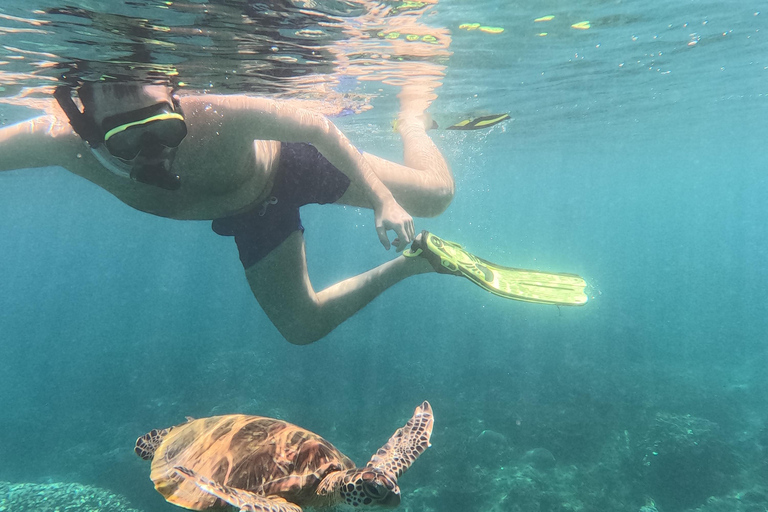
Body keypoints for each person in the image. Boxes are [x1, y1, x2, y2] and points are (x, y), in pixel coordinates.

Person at [0, 81, 587, 345]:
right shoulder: (59, 143)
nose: (159, 149)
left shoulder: (218, 112)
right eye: (129, 136)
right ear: (84, 123)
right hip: (254, 213)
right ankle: (419, 263)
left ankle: (412, 119)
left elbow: (316, 125)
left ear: (175, 96)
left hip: (292, 167)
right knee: (302, 328)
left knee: (435, 194)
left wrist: (384, 199)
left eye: (163, 123)